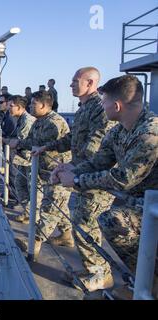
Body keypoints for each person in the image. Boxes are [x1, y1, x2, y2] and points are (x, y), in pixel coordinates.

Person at [53, 75, 158, 295]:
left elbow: (124, 177)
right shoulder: (118, 131)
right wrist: (69, 170)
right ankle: (143, 282)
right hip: (141, 201)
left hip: (151, 205)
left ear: (117, 105)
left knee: (112, 221)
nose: (102, 105)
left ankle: (150, 286)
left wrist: (78, 181)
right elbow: (99, 161)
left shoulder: (150, 134)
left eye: (104, 101)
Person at [33, 67, 117, 292]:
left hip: (94, 178)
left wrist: (73, 167)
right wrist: (47, 148)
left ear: (90, 83)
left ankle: (100, 274)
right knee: (81, 221)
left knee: (87, 223)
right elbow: (73, 138)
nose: (70, 84)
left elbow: (97, 144)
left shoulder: (99, 108)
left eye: (74, 81)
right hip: (82, 174)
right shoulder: (84, 109)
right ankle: (93, 269)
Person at [15, 91, 72, 259]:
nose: (31, 106)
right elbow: (32, 139)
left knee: (49, 208)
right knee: (58, 206)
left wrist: (17, 143)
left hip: (58, 173)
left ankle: (34, 243)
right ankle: (67, 235)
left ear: (44, 105)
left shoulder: (54, 122)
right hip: (46, 171)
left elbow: (38, 143)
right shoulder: (40, 121)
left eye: (33, 104)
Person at [7, 95, 36, 220]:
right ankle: (27, 211)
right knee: (20, 185)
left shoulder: (27, 120)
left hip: (30, 160)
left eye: (11, 106)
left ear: (19, 107)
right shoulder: (20, 119)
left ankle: (31, 215)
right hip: (23, 160)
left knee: (31, 188)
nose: (9, 108)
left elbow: (23, 140)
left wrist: (13, 143)